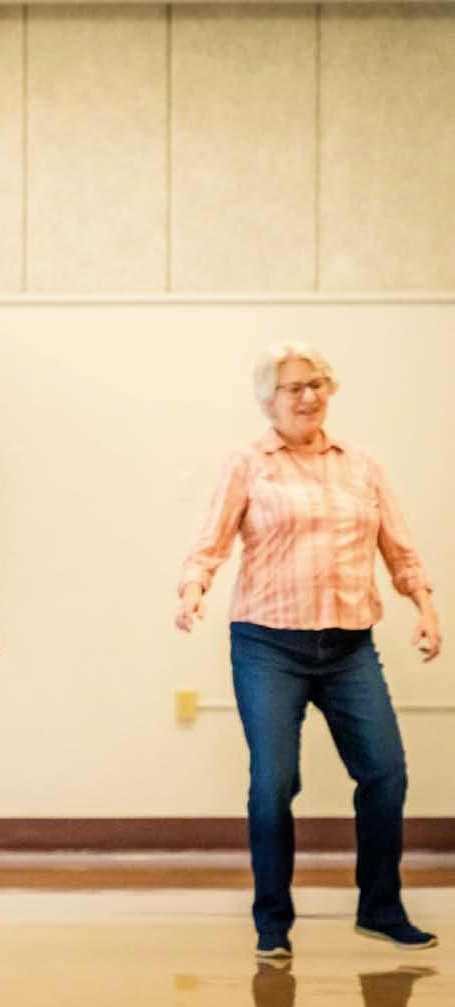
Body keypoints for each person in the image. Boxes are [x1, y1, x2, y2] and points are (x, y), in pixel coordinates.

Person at [177, 341, 441, 960]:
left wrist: (425, 607)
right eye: (294, 387)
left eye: (318, 384)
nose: (308, 396)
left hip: (349, 647)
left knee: (385, 772)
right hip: (268, 645)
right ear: (269, 399)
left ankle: (380, 908)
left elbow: (399, 547)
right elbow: (210, 542)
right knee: (274, 782)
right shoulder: (249, 464)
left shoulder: (362, 465)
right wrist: (193, 590)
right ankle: (272, 922)